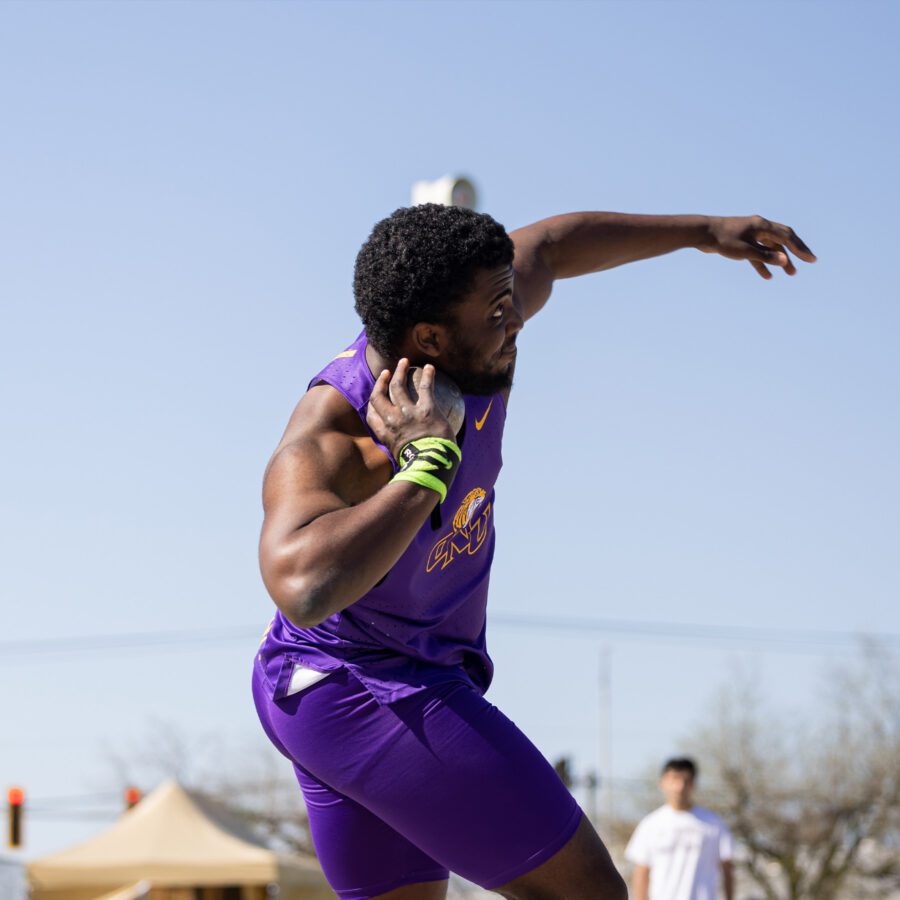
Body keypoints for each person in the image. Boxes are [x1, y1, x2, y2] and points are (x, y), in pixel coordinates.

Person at [252, 204, 814, 900]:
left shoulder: (474, 325)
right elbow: (301, 583)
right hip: (357, 685)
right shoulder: (335, 436)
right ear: (429, 336)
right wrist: (426, 465)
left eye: (509, 299)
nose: (514, 318)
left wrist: (702, 234)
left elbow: (551, 244)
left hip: (371, 684)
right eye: (496, 311)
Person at [626, 758, 734, 900]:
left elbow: (727, 869)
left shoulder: (714, 823)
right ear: (663, 783)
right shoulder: (650, 824)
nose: (680, 786)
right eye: (674, 779)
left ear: (693, 784)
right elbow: (641, 872)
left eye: (686, 781)